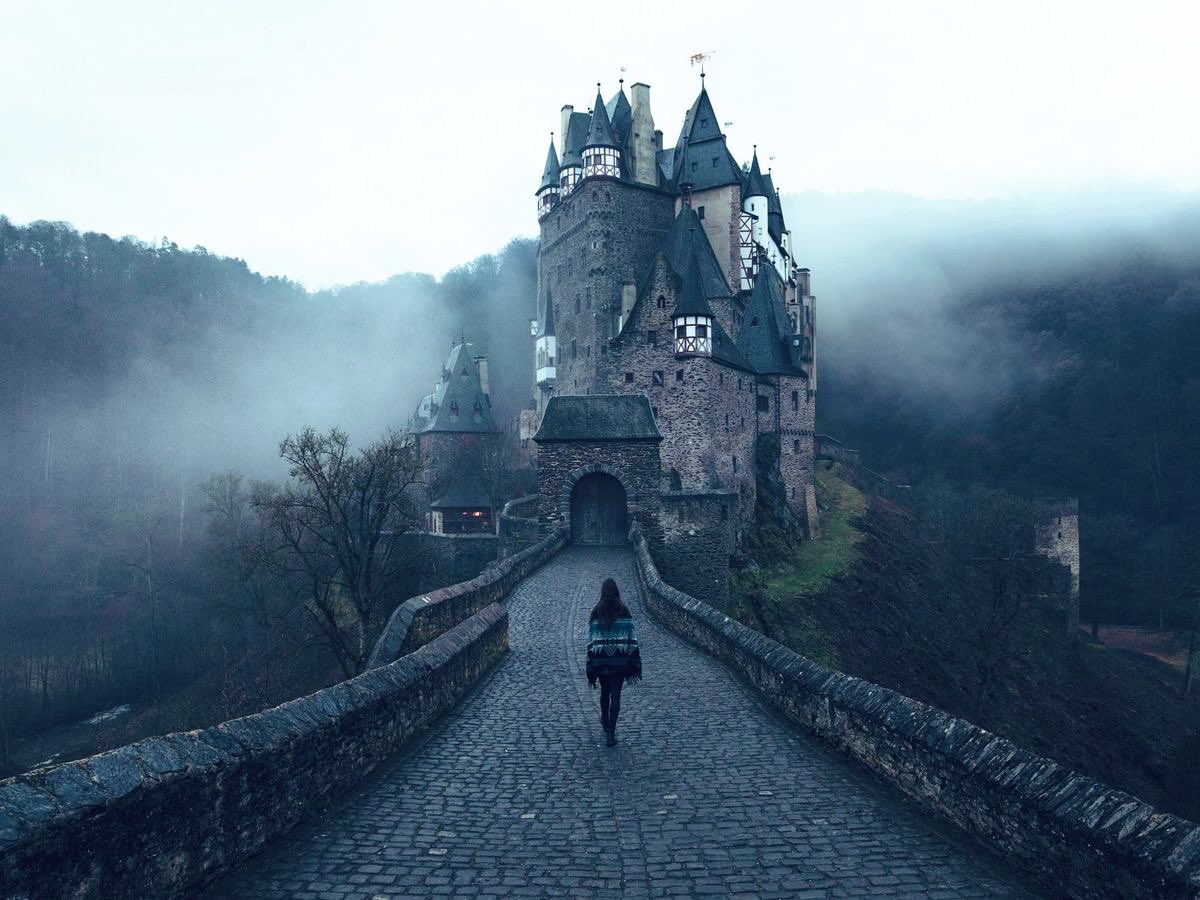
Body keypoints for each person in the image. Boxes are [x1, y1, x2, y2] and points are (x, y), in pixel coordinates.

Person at [586, 578, 642, 746]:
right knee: (615, 695)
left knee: (605, 692)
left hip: (602, 661)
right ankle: (611, 732)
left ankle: (604, 719)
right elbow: (632, 637)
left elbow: (591, 640)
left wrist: (592, 660)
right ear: (617, 591)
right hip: (619, 661)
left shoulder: (596, 611)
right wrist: (631, 657)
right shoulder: (624, 610)